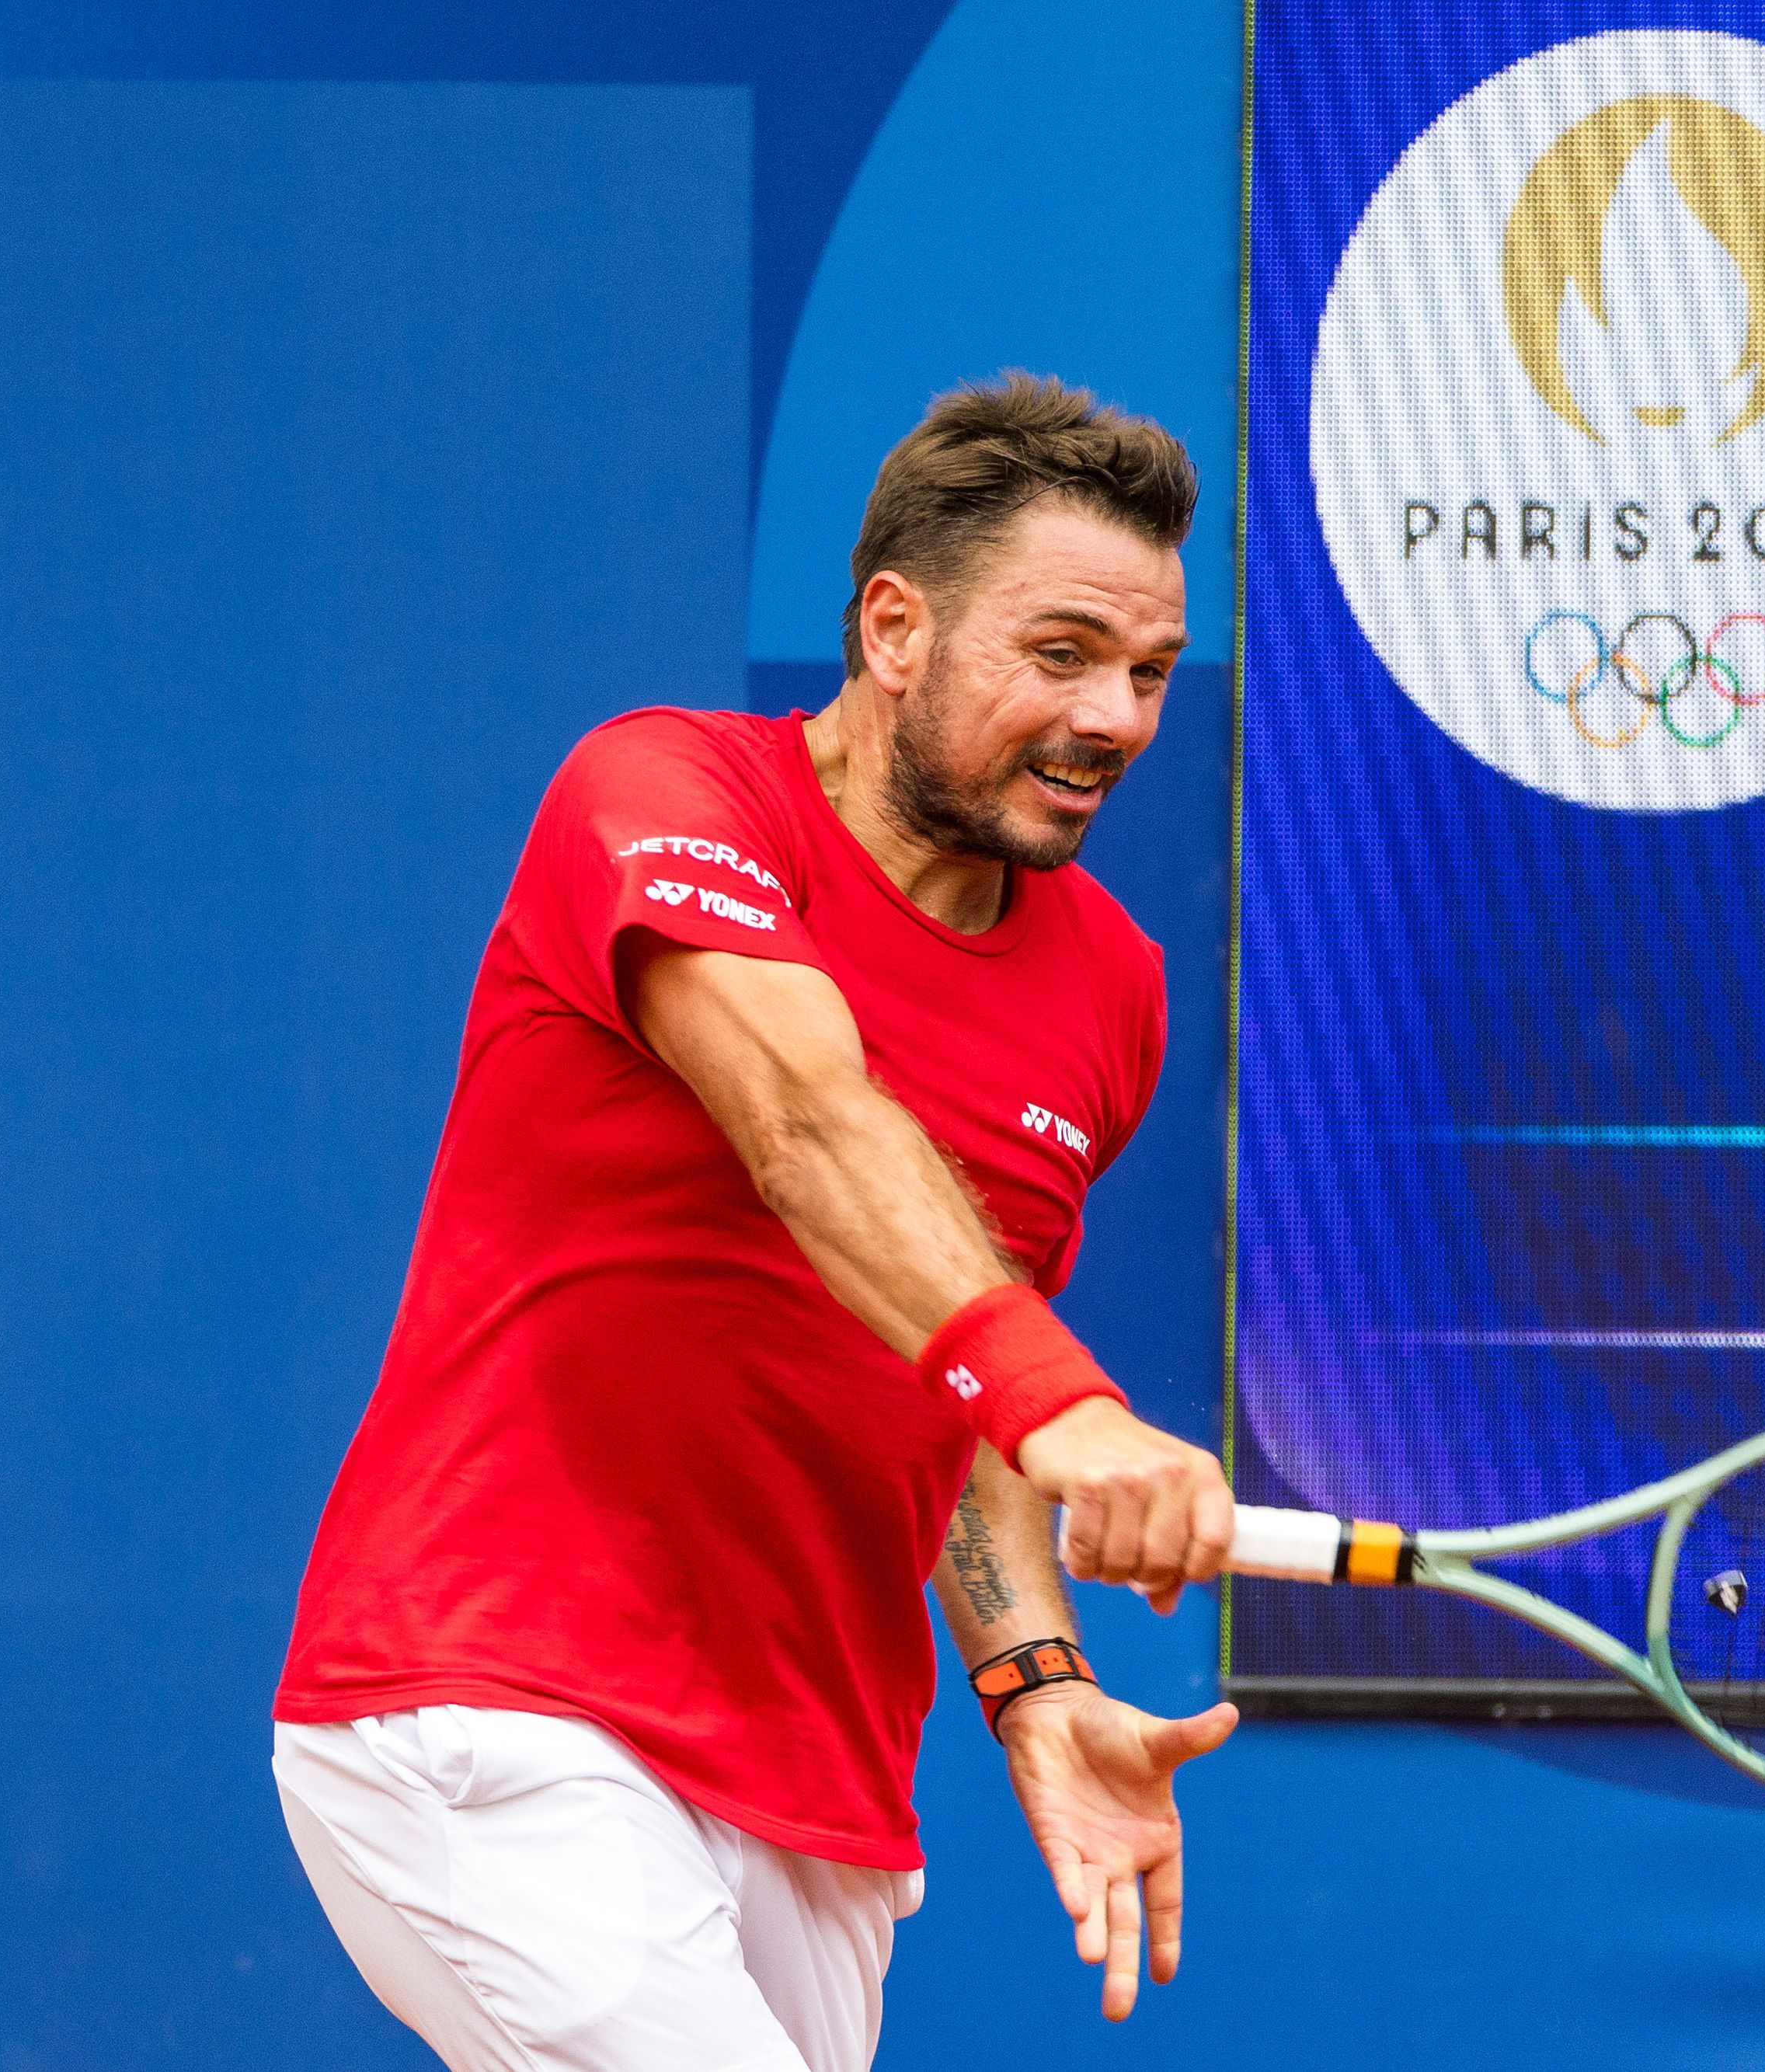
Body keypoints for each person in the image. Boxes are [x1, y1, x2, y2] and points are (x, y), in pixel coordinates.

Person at [273, 373, 1238, 2072]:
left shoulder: (1112, 989)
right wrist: (1068, 1401)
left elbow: (954, 1364)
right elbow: (804, 1121)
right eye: (1063, 651)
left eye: (1150, 670)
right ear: (891, 627)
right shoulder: (656, 790)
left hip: (812, 1788)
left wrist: (1032, 1678)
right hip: (499, 1697)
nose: (1116, 716)